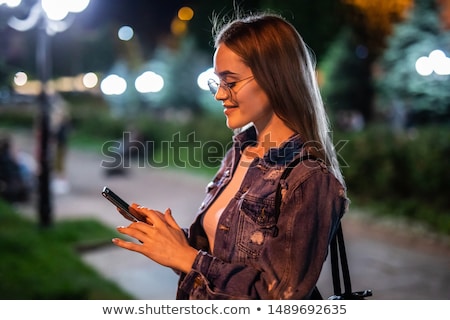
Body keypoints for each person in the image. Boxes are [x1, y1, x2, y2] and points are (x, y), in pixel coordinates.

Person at [111, 11, 349, 300]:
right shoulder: (239, 153)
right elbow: (221, 254)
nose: (219, 95)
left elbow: (277, 297)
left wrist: (187, 258)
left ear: (274, 77)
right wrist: (172, 241)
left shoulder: (308, 178)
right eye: (218, 82)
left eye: (231, 82)